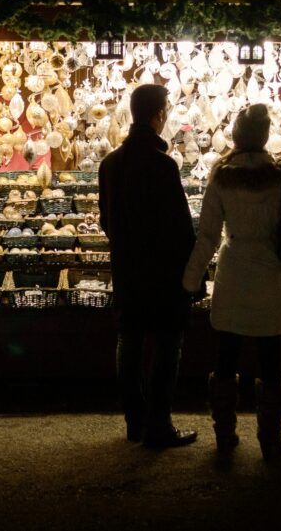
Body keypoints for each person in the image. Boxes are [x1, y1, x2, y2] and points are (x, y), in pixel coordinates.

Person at [181, 104, 281, 460]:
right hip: (271, 274)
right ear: (263, 135)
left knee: (226, 356)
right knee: (271, 359)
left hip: (234, 272)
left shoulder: (222, 175)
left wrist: (190, 279)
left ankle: (225, 435)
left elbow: (208, 236)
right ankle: (270, 440)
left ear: (236, 136)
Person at [99, 84, 199, 449]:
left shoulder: (109, 164)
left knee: (130, 340)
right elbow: (179, 226)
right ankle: (159, 424)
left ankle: (134, 422)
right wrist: (192, 275)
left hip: (127, 270)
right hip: (162, 274)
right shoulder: (163, 165)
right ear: (159, 115)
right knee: (167, 344)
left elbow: (106, 220)